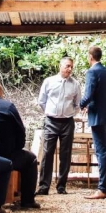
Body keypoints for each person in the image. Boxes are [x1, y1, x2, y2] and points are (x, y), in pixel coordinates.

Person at [0, 82, 40, 209]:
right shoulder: (7, 106)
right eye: (2, 92)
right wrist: (17, 147)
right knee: (31, 159)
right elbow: (20, 130)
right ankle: (27, 200)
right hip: (7, 155)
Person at [80, 46, 106, 199]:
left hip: (97, 115)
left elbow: (88, 94)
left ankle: (103, 188)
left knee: (101, 151)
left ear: (90, 57)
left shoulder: (92, 72)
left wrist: (81, 105)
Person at [36, 56, 81, 196]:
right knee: (47, 153)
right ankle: (44, 186)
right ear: (60, 66)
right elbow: (41, 101)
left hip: (67, 122)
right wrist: (50, 113)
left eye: (71, 67)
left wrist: (70, 112)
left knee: (65, 154)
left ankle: (61, 186)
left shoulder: (75, 84)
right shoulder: (49, 81)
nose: (69, 69)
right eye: (67, 66)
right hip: (51, 121)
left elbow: (78, 104)